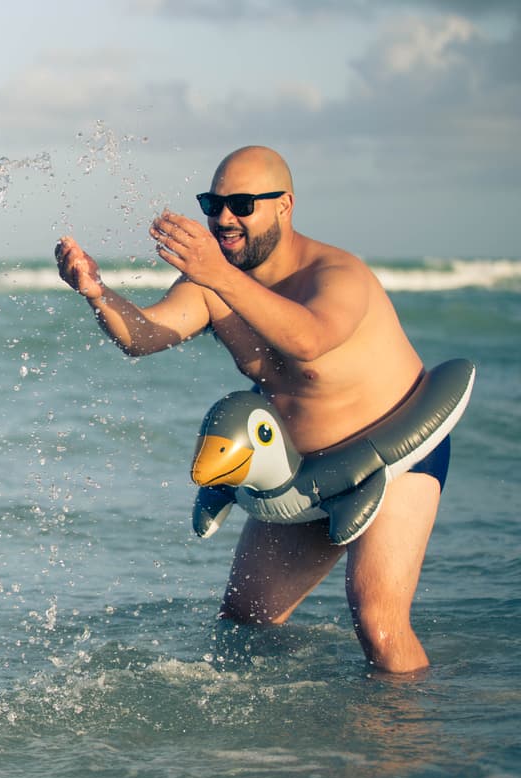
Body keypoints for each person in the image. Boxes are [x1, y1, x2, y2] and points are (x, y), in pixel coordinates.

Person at [55, 145, 447, 673]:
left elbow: (308, 340)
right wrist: (96, 293)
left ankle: (411, 743)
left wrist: (217, 274)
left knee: (377, 623)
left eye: (241, 203)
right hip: (304, 471)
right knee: (245, 618)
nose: (223, 219)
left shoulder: (336, 275)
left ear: (284, 205)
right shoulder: (214, 285)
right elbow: (145, 336)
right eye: (212, 204)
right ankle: (294, 722)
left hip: (394, 454)